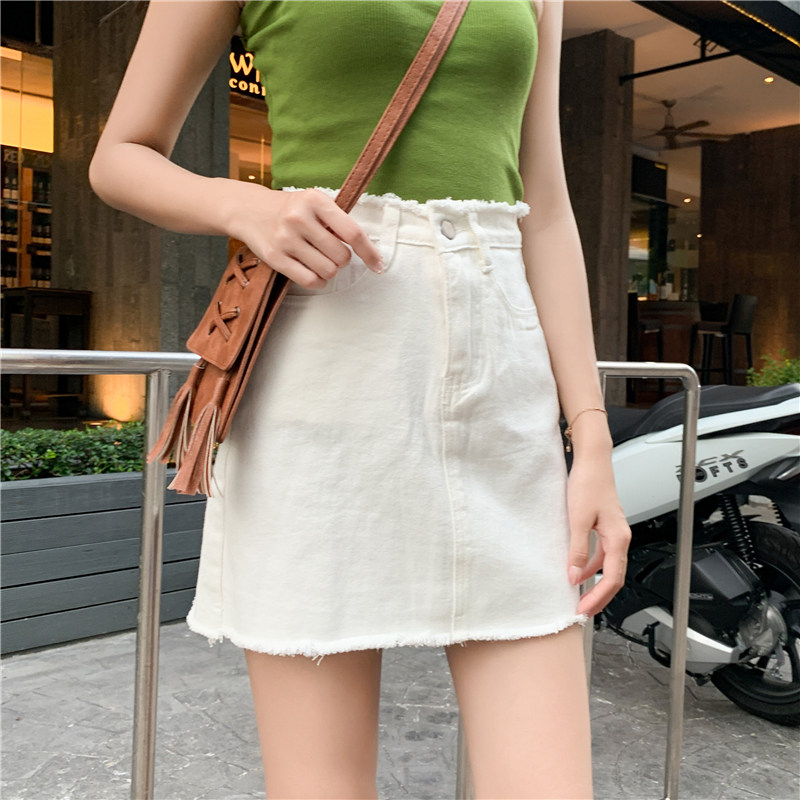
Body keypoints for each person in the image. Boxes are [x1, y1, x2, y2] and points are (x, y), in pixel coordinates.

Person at [89, 1, 632, 797]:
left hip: (501, 387)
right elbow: (119, 156)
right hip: (326, 368)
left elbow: (545, 210)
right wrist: (247, 206)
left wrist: (591, 436)